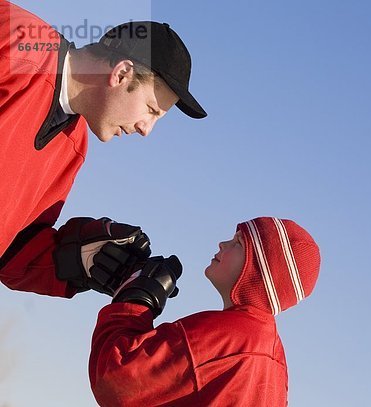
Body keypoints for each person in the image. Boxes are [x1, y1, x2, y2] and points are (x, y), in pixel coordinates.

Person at [0, 1, 206, 298]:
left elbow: (13, 253)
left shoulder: (73, 148)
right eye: (151, 109)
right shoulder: (16, 38)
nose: (146, 129)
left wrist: (81, 258)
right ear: (122, 73)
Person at [89, 216, 321, 406]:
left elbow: (115, 380)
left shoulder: (231, 334)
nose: (223, 244)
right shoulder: (275, 361)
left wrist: (134, 301)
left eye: (238, 243)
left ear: (260, 272)